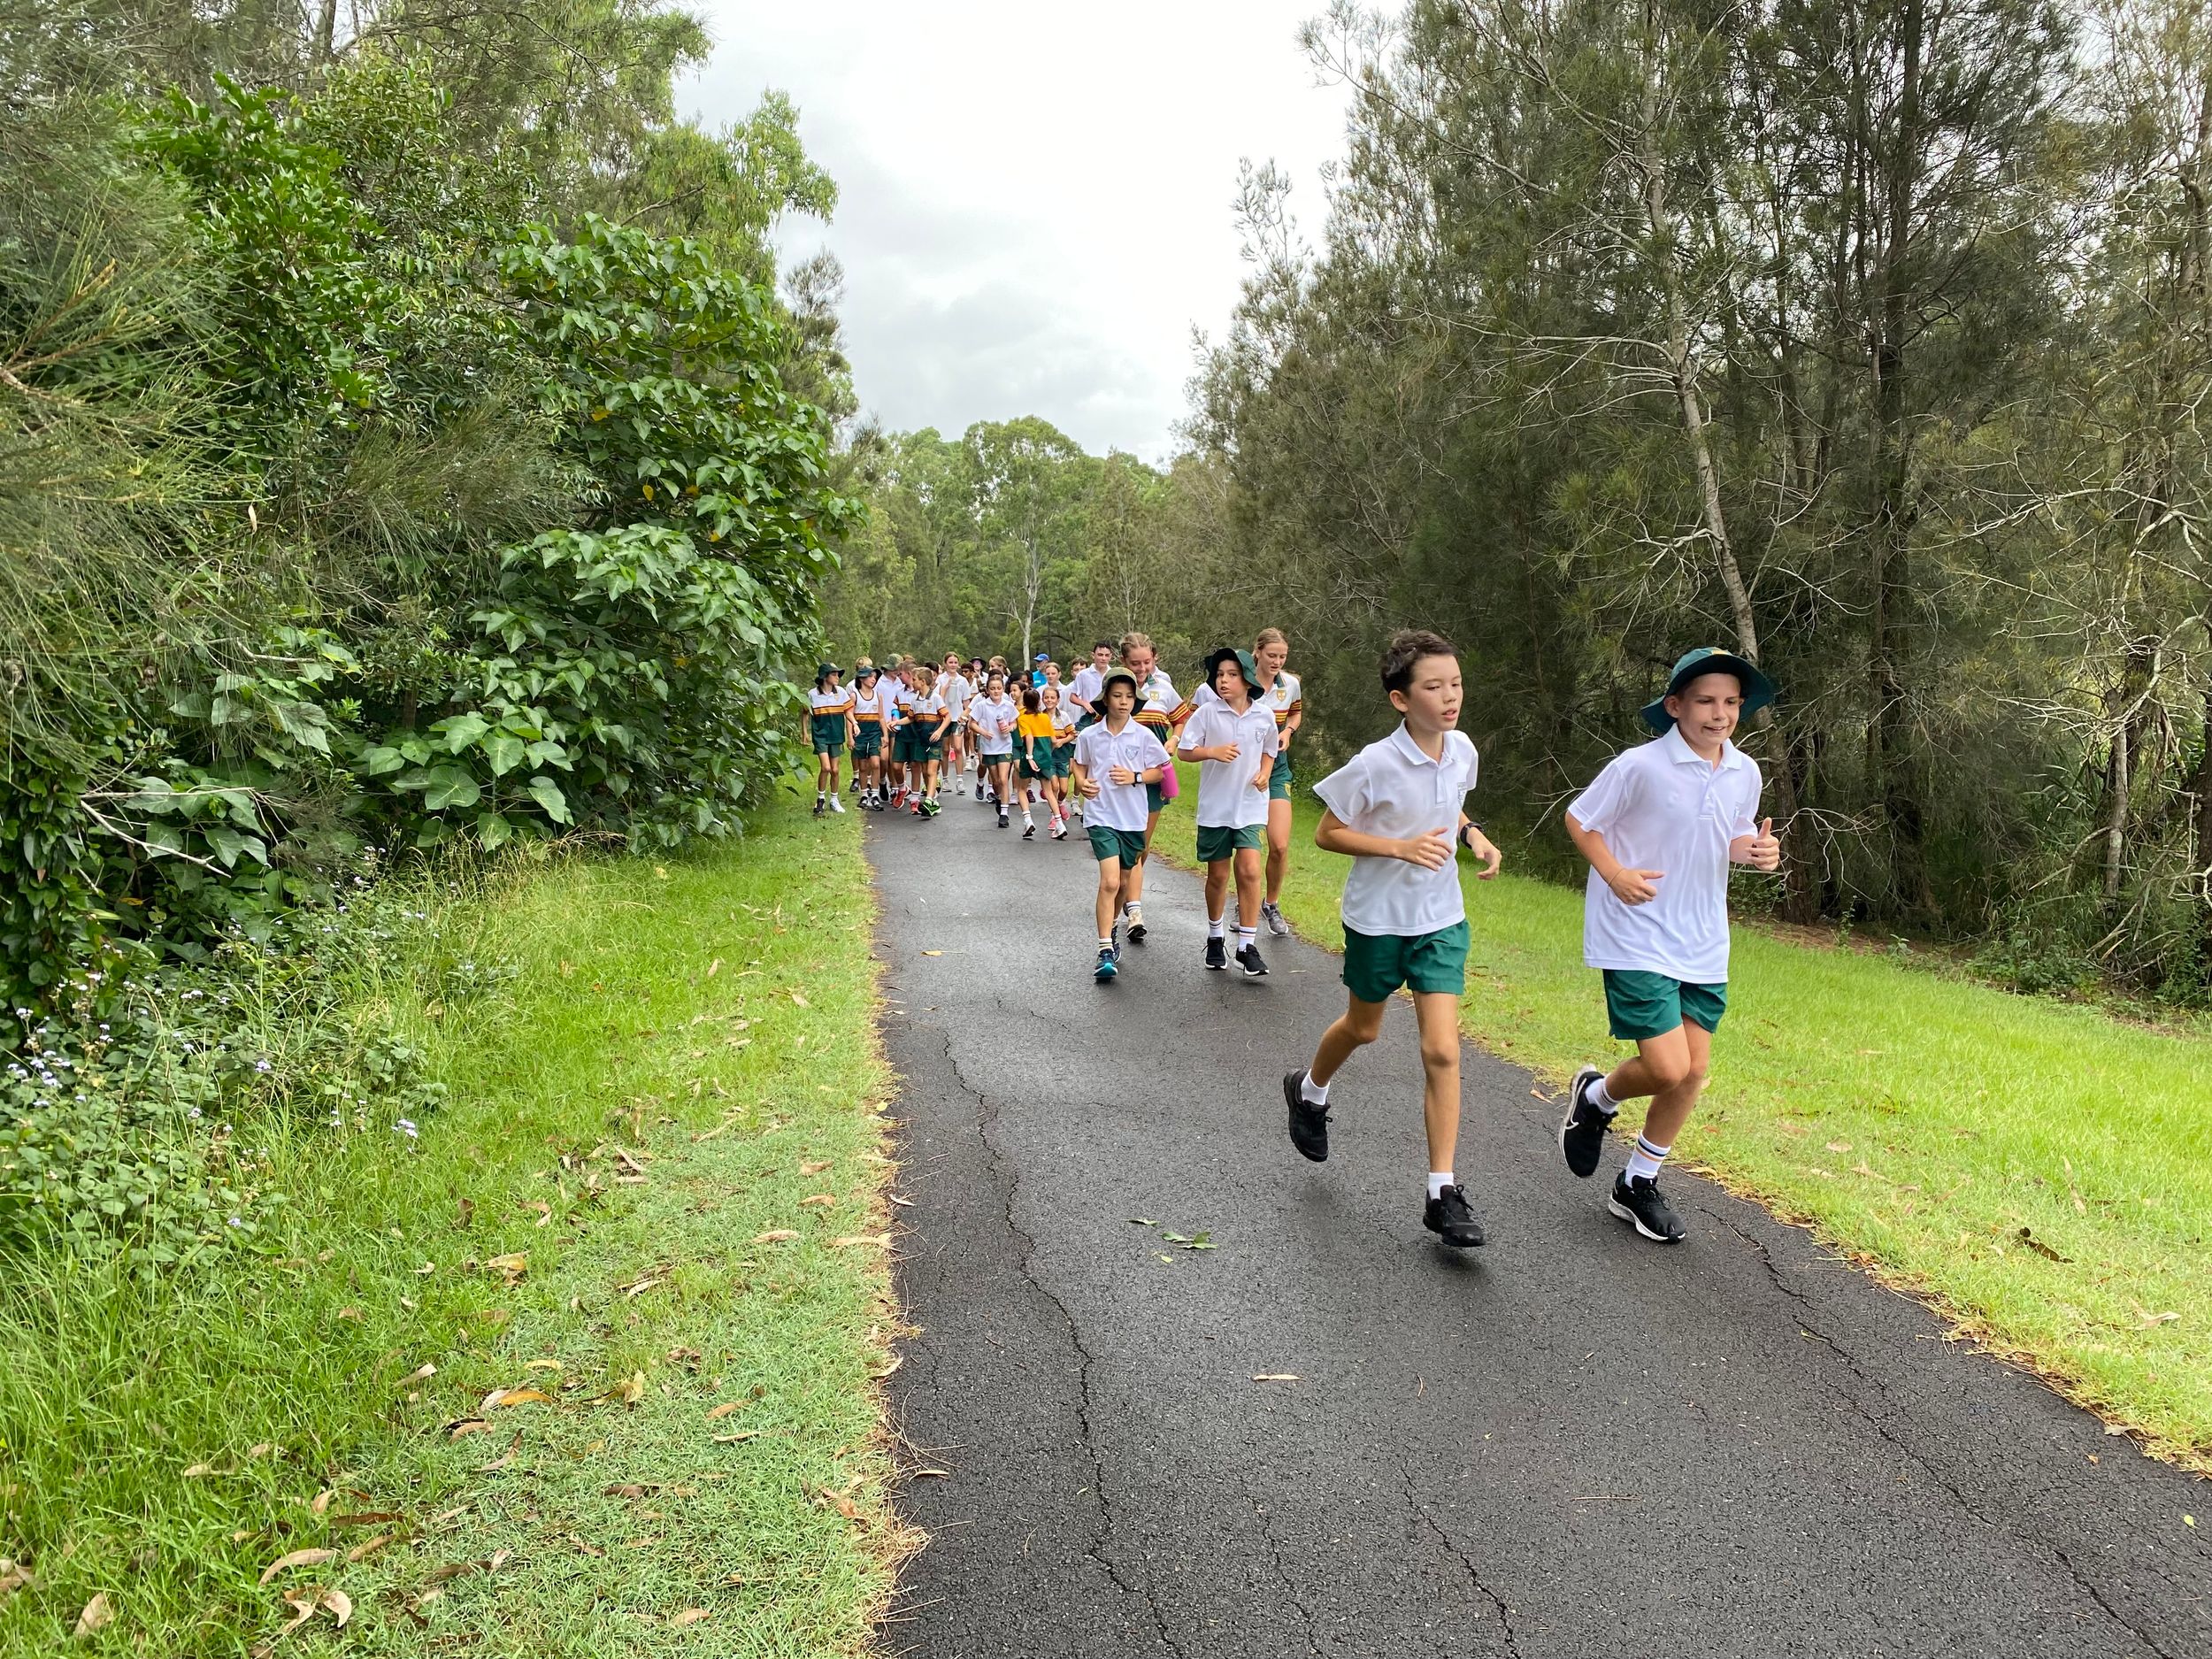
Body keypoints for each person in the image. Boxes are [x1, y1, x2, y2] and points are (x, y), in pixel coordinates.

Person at [1280, 629, 1503, 1250]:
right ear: (1401, 700)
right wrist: (1398, 847)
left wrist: (1474, 835)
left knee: (1443, 1050)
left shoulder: (1462, 750)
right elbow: (1328, 832)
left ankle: (1442, 1192)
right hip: (1378, 920)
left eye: (1455, 683)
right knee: (1364, 1027)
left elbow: (1451, 805)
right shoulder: (1375, 762)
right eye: (1434, 687)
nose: (1450, 696)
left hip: (1441, 919)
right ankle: (1309, 1090)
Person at [1555, 647, 1782, 1243]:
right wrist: (1614, 874)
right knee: (1665, 1065)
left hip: (1703, 937)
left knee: (1692, 1070)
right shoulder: (1640, 766)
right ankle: (1598, 1097)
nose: (1719, 713)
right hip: (1635, 931)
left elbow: (1731, 836)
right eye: (1705, 701)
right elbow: (1581, 819)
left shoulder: (1744, 771)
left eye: (1731, 702)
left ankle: (1637, 1181)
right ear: (1675, 706)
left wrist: (1757, 852)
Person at [1179, 648, 1280, 976]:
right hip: (1216, 808)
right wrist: (1212, 751)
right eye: (1220, 675)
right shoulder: (1208, 713)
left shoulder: (1264, 715)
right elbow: (1184, 751)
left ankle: (1247, 947)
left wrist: (1265, 772)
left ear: (1247, 680)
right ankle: (1215, 936)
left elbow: (1270, 750)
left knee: (1249, 870)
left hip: (1250, 805)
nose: (1223, 680)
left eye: (1232, 675)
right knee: (1219, 876)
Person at [1072, 668, 1171, 982]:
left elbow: (1161, 770)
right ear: (1105, 699)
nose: (1124, 702)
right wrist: (1081, 783)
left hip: (1132, 819)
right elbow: (1079, 764)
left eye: (1129, 696)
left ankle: (1112, 927)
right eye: (1117, 696)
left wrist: (1135, 777)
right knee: (1110, 881)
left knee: (1124, 881)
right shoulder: (1090, 735)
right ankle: (1104, 949)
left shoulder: (1143, 736)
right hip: (1101, 816)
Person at [1118, 631, 1190, 943]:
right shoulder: (1114, 688)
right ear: (1124, 661)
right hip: (1119, 781)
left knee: (1141, 848)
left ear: (1155, 659)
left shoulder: (1163, 688)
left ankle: (1127, 893)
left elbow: (1182, 718)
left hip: (1152, 780)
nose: (1142, 668)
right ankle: (1134, 911)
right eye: (1135, 663)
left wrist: (1174, 739)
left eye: (1147, 662)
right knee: (1131, 846)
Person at [1252, 627, 1303, 938]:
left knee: (1280, 845)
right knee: (1246, 844)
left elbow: (1295, 714)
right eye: (1272, 655)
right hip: (1245, 771)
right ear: (1257, 652)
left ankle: (1270, 904)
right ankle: (1244, 901)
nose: (1277, 662)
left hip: (1278, 770)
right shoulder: (1243, 682)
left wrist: (1288, 732)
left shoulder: (1290, 684)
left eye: (1282, 657)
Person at [967, 669, 1018, 828]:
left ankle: (1004, 814)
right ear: (988, 690)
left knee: (1003, 779)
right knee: (995, 781)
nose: (996, 691)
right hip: (989, 747)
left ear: (1003, 689)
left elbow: (1014, 722)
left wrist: (1010, 728)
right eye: (993, 688)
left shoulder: (1008, 705)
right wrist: (983, 732)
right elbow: (972, 723)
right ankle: (998, 797)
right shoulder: (982, 705)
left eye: (999, 688)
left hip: (1005, 746)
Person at [807, 664, 855, 816]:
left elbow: (848, 711)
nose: (837, 677)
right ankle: (820, 798)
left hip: (836, 735)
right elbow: (804, 712)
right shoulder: (812, 694)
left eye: (837, 674)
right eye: (834, 674)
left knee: (835, 770)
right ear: (824, 677)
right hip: (820, 736)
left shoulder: (841, 692)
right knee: (826, 768)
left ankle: (834, 799)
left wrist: (854, 723)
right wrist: (804, 733)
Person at [907, 659, 952, 818]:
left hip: (934, 740)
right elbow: (910, 718)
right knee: (925, 771)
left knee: (932, 770)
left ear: (923, 682)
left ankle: (928, 800)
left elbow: (947, 717)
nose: (912, 682)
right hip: (921, 740)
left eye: (914, 679)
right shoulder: (914, 700)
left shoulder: (936, 698)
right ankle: (933, 802)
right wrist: (896, 722)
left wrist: (939, 731)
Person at [1014, 686, 1056, 839]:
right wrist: (1048, 752)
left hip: (1030, 756)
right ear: (1039, 702)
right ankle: (1059, 823)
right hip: (1045, 756)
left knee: (1021, 789)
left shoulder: (1022, 718)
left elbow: (1029, 737)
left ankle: (1028, 820)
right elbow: (1053, 740)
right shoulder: (1045, 717)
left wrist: (1030, 756)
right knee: (1049, 791)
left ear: (1025, 703)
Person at [850, 664, 888, 810]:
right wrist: (850, 737)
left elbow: (881, 717)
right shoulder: (854, 695)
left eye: (875, 677)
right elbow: (849, 718)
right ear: (861, 678)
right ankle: (864, 794)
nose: (874, 679)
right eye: (870, 676)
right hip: (860, 733)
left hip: (874, 733)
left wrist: (885, 734)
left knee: (876, 763)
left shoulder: (878, 696)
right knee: (863, 766)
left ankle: (875, 794)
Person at [1046, 684, 1080, 839]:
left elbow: (1072, 734)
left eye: (1052, 698)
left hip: (1063, 756)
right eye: (1046, 698)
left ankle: (1060, 804)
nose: (1049, 700)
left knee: (1064, 789)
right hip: (1049, 758)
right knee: (1054, 786)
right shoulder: (1042, 717)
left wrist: (1062, 741)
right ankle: (1054, 816)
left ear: (1058, 700)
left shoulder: (1063, 716)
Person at [940, 653, 972, 795]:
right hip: (944, 718)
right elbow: (938, 699)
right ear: (945, 664)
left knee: (958, 748)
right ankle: (945, 779)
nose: (953, 665)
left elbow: (966, 701)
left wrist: (967, 717)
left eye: (955, 662)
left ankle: (960, 780)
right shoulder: (941, 679)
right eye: (950, 662)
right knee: (945, 749)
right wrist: (945, 687)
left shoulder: (962, 681)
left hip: (958, 718)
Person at [1070, 641, 1114, 729]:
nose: (1103, 658)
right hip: (1088, 719)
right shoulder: (1083, 675)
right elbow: (1072, 697)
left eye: (1107, 655)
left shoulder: (1114, 674)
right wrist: (1084, 703)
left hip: (1109, 718)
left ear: (1111, 656)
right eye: (1100, 655)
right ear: (1093, 655)